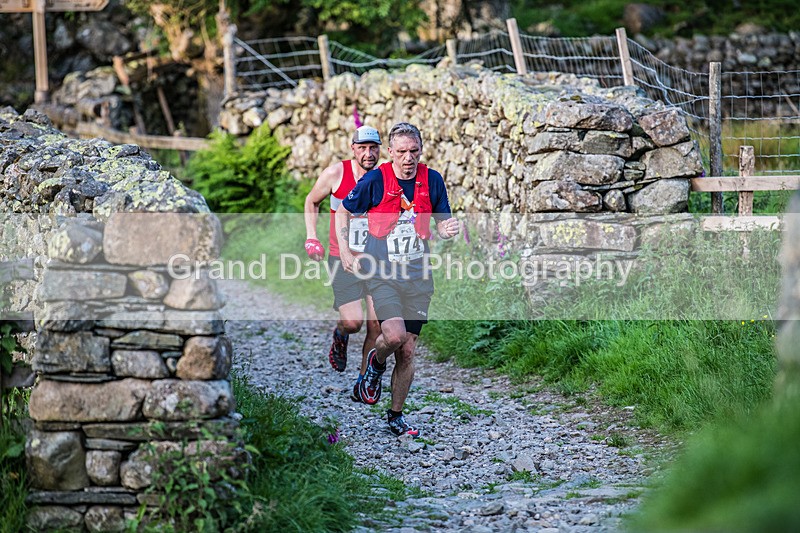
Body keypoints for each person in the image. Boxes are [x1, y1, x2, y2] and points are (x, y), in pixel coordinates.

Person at [335, 122, 460, 437]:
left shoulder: (432, 179)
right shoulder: (376, 179)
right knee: (392, 336)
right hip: (383, 274)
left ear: (421, 150)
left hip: (418, 276)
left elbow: (443, 221)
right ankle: (375, 366)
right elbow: (342, 212)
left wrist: (447, 231)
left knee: (407, 350)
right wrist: (347, 254)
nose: (408, 158)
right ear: (390, 152)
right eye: (402, 152)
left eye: (414, 151)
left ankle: (395, 417)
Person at [304, 126, 382, 401]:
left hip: (375, 260)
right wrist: (312, 236)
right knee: (354, 322)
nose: (368, 154)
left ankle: (364, 382)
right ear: (353, 148)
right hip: (342, 258)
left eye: (374, 148)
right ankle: (340, 334)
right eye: (363, 148)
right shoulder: (337, 173)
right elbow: (312, 201)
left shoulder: (384, 177)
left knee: (377, 326)